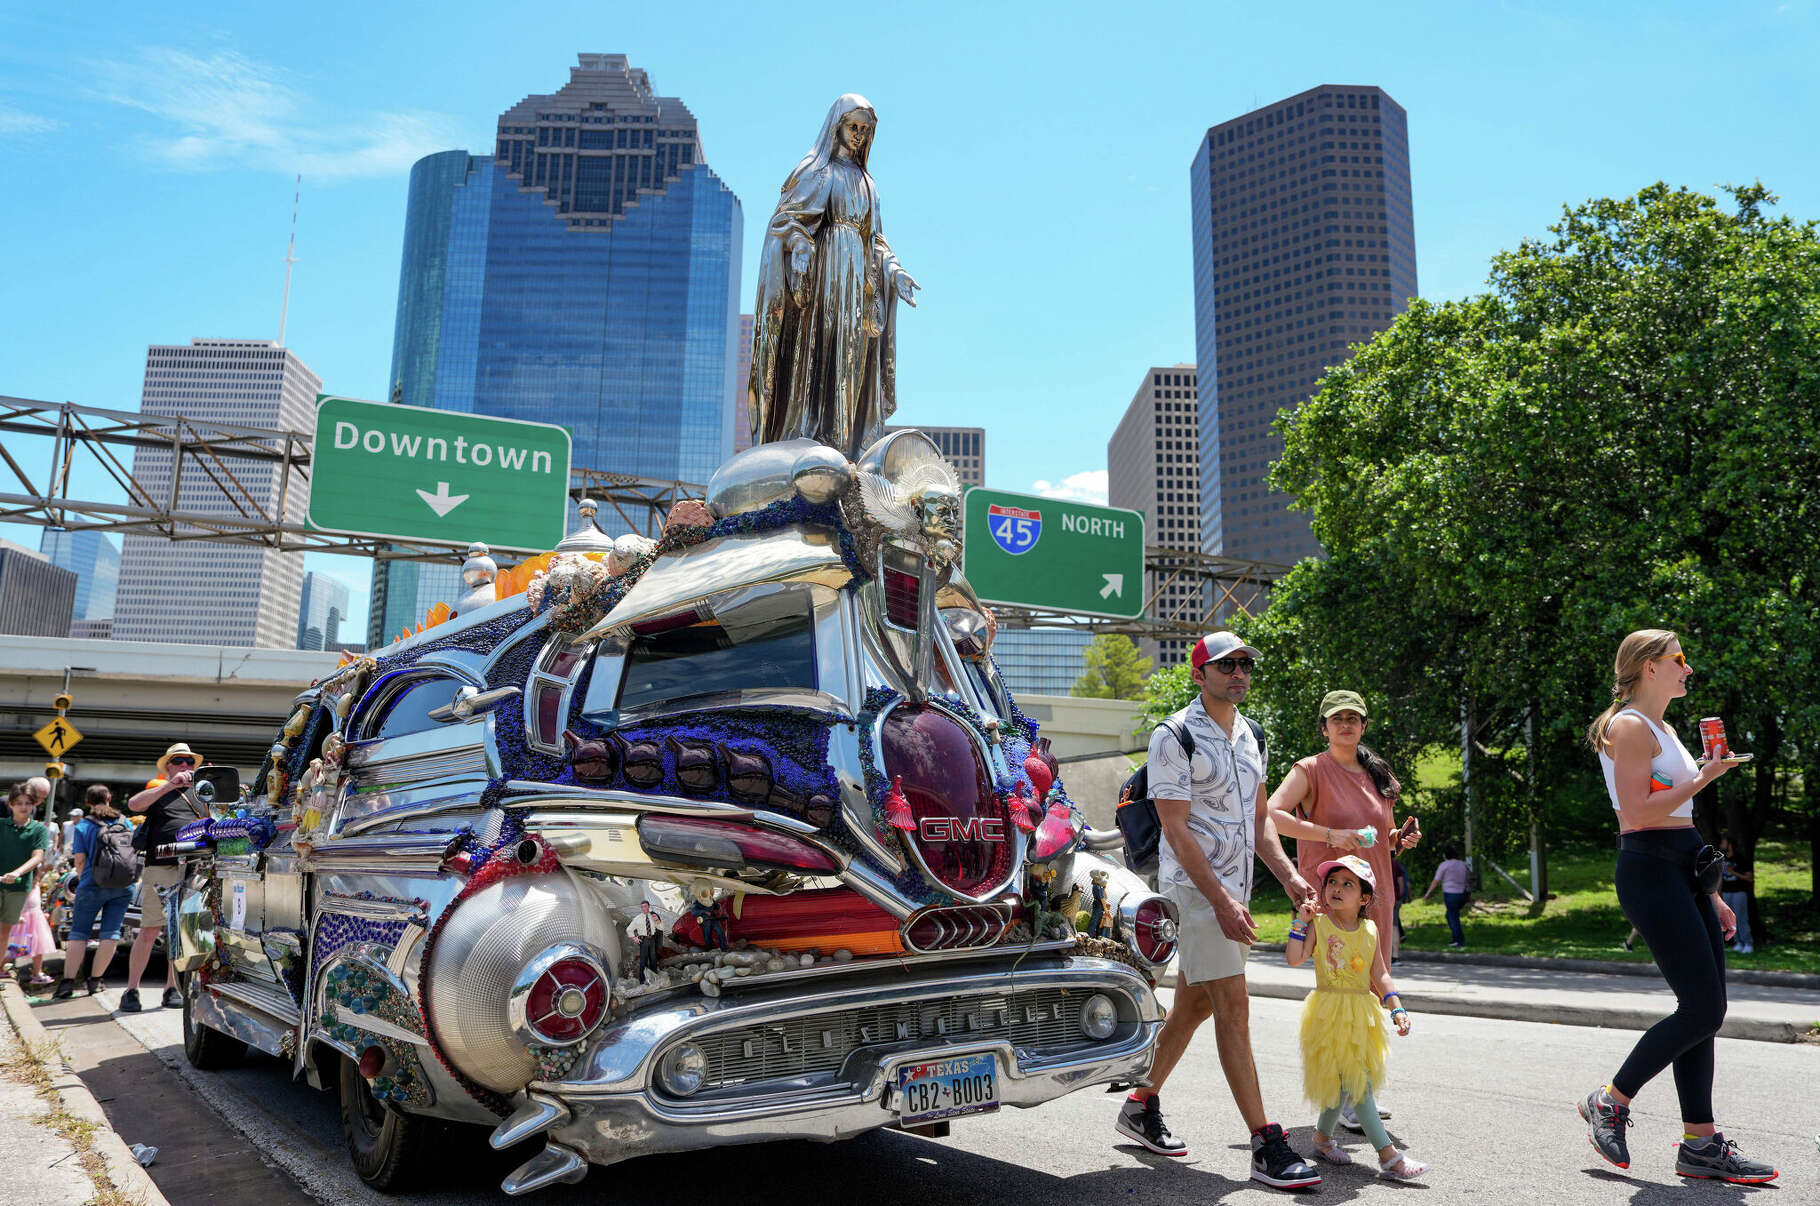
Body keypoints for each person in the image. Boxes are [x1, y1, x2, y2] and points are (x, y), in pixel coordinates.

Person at [1112, 631, 1320, 1190]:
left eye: (1245, 665)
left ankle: (1139, 1103)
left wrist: (1292, 876)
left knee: (1194, 1007)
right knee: (1233, 1005)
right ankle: (1265, 1143)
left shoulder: (1253, 736)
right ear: (1198, 673)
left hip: (1237, 895)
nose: (1239, 673)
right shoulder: (1172, 736)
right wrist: (1222, 902)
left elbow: (1259, 824)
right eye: (1227, 665)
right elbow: (1175, 829)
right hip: (1197, 894)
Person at [1577, 628, 1775, 1183]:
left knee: (1703, 1013)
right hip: (1648, 869)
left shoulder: (1663, 727)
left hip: (1682, 867)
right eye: (1678, 659)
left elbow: (1679, 822)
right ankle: (1610, 1100)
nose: (1687, 668)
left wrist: (1710, 893)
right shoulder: (1629, 727)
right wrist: (1707, 777)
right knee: (1704, 1008)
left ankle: (1701, 1145)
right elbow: (1638, 814)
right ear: (1648, 667)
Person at [1266, 689, 1420, 1130]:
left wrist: (1399, 840)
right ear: (1325, 727)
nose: (1346, 725)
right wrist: (1330, 835)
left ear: (1364, 726)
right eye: (1337, 718)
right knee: (1344, 993)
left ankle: (1358, 1089)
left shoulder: (1377, 772)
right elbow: (1273, 814)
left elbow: (1377, 837)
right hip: (1332, 899)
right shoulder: (1311, 769)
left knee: (1371, 991)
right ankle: (1349, 1095)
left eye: (1354, 718)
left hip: (1374, 895)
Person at [748, 94, 919, 458]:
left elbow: (876, 240)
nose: (857, 135)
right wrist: (800, 246)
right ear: (836, 127)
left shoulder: (867, 183)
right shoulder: (818, 170)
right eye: (852, 126)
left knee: (853, 359)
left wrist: (895, 271)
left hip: (860, 284)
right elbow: (786, 220)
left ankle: (847, 446)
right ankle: (816, 435)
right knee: (823, 353)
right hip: (827, 278)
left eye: (864, 130)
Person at [1287, 855, 1427, 1180]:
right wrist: (1300, 922)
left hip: (1361, 1014)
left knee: (1342, 1084)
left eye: (1347, 884)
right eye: (1332, 882)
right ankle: (1389, 1157)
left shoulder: (1370, 929)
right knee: (1357, 1084)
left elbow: (1380, 973)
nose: (1336, 888)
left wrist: (1397, 1007)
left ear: (1364, 898)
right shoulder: (1319, 925)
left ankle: (1321, 1139)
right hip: (1328, 1014)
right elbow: (1295, 959)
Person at [121, 743, 207, 1011]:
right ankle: (131, 990)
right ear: (168, 767)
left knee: (188, 931)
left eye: (190, 762)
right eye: (179, 761)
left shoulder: (201, 793)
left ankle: (174, 987)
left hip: (196, 869)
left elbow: (218, 818)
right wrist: (170, 785)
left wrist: (211, 786)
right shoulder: (160, 790)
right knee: (150, 929)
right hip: (161, 866)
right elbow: (134, 804)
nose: (185, 766)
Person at [50, 788, 136, 999]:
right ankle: (95, 981)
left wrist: (85, 880)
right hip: (123, 885)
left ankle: (67, 983)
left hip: (91, 884)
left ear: (87, 801)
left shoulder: (84, 825)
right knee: (111, 933)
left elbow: (79, 860)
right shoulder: (125, 822)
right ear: (109, 798)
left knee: (79, 933)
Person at [3, 783, 57, 988]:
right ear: (11, 805)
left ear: (34, 806)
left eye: (28, 803)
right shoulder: (2, 825)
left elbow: (38, 856)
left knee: (10, 931)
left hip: (22, 885)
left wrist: (18, 872)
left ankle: (6, 969)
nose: (24, 807)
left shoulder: (38, 830)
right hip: (7, 885)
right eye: (19, 803)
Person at [1423, 846, 1471, 948]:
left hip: (1450, 894)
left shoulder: (1444, 865)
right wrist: (1469, 895)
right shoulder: (1463, 864)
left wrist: (1428, 893)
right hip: (1462, 894)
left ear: (1446, 855)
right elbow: (1468, 880)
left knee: (1453, 917)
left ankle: (1458, 941)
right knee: (1450, 915)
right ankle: (1456, 939)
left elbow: (1436, 881)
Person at [1718, 838, 1753, 955]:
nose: (1721, 844)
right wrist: (1719, 895)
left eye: (1723, 842)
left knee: (1741, 918)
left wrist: (1733, 872)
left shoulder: (1740, 859)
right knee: (1730, 918)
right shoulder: (1723, 859)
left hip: (1739, 892)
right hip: (1727, 892)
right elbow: (1721, 878)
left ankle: (1748, 943)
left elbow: (1749, 878)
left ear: (1730, 844)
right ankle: (1738, 942)